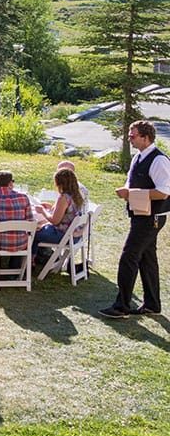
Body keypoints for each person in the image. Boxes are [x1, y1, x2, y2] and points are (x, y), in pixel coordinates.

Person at [101, 120, 169, 318]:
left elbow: (163, 193)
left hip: (152, 217)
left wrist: (130, 193)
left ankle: (121, 306)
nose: (129, 139)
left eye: (133, 136)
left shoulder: (159, 160)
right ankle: (152, 305)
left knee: (129, 256)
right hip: (140, 214)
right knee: (147, 259)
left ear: (145, 137)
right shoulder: (138, 157)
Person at [33, 168, 85, 257]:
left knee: (32, 234)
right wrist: (52, 207)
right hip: (76, 235)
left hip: (64, 236)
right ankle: (39, 257)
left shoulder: (64, 198)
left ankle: (31, 261)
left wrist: (42, 211)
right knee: (40, 228)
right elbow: (67, 212)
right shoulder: (77, 195)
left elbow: (55, 221)